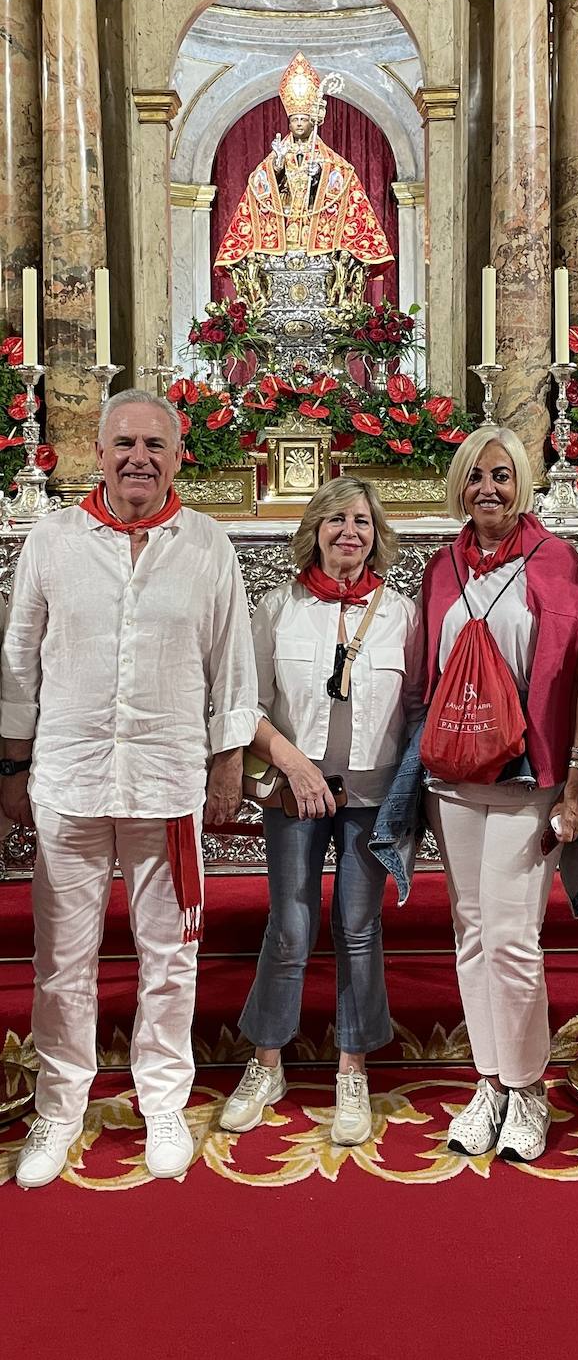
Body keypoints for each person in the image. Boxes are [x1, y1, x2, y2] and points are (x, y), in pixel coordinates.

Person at [2, 388, 259, 1188]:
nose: (138, 458)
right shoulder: (52, 539)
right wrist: (12, 767)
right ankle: (60, 1104)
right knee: (62, 960)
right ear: (99, 453)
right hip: (70, 782)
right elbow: (19, 659)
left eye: (155, 444)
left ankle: (161, 1100)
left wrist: (226, 762)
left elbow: (234, 663)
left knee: (170, 956)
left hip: (167, 783)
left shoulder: (208, 543)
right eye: (124, 444)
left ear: (179, 456)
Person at [220, 477, 422, 1146]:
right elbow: (245, 702)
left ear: (376, 533)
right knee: (291, 923)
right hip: (295, 790)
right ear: (315, 529)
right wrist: (293, 764)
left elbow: (419, 706)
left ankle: (352, 1067)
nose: (349, 532)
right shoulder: (279, 607)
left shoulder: (402, 612)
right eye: (336, 520)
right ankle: (267, 1061)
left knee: (358, 928)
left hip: (373, 793)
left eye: (361, 521)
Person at [420, 425, 578, 1163]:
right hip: (455, 775)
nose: (487, 489)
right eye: (474, 476)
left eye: (501, 476)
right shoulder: (441, 566)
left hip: (531, 776)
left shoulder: (555, 561)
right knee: (471, 931)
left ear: (522, 484)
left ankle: (527, 1089)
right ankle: (489, 1080)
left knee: (515, 938)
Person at [214, 51, 393, 275]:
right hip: (286, 226)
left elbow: (343, 179)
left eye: (303, 119)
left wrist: (319, 173)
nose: (299, 124)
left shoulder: (328, 159)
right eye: (295, 119)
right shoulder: (278, 153)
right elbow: (261, 188)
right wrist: (277, 165)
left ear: (312, 121)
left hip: (315, 227)